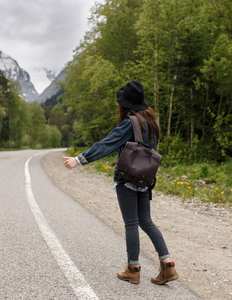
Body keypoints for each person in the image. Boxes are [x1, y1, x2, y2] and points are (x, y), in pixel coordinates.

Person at [63, 81, 178, 285]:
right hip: (145, 178)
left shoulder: (131, 123)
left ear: (126, 104)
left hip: (127, 178)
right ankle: (167, 265)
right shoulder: (151, 123)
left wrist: (79, 159)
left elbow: (106, 144)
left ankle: (133, 269)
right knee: (146, 221)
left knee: (132, 223)